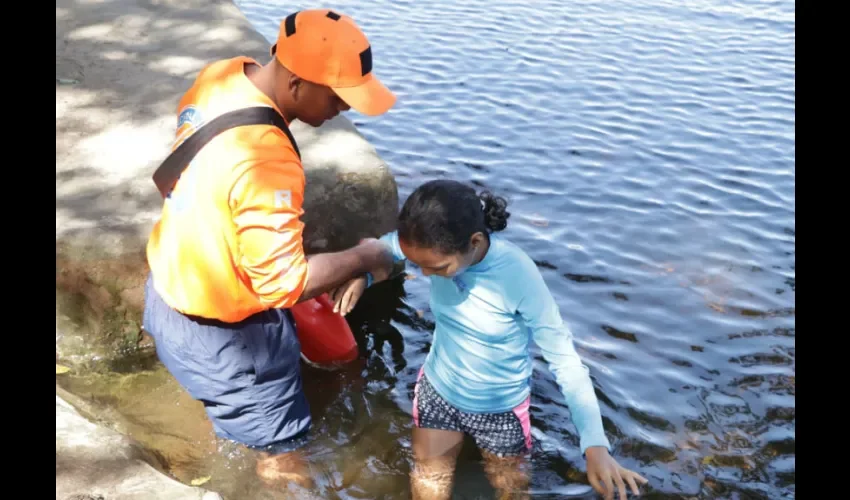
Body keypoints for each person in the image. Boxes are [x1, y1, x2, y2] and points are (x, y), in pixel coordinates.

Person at [142, 9, 397, 490]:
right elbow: (283, 284)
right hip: (225, 336)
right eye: (339, 96)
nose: (345, 109)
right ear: (298, 82)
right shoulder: (269, 159)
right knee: (283, 455)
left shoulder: (223, 76)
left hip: (168, 291)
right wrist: (364, 259)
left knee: (237, 419)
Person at [329, 180, 649, 500]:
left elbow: (565, 361)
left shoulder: (517, 274)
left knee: (511, 489)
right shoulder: (428, 243)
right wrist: (365, 275)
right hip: (438, 394)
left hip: (500, 411)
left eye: (437, 267)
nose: (425, 276)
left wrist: (595, 446)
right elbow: (388, 246)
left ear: (475, 241)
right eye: (419, 265)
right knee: (429, 478)